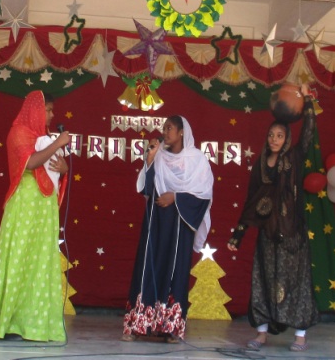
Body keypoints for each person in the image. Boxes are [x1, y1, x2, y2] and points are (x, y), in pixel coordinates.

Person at [227, 102, 319, 353]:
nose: (274, 139)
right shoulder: (261, 164)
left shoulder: (294, 158)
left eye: (279, 135)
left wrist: (308, 104)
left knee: (296, 282)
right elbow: (252, 199)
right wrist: (239, 233)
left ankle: (300, 336)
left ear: (287, 139)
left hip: (292, 235)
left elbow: (308, 133)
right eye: (271, 135)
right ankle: (261, 333)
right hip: (268, 234)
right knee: (264, 282)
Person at [0, 91, 70, 342]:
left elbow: (53, 167)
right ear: (35, 110)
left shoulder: (43, 138)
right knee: (19, 259)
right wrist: (57, 144)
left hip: (44, 207)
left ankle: (33, 324)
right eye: (48, 110)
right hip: (25, 205)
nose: (52, 115)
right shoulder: (18, 133)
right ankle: (9, 323)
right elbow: (29, 163)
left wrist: (64, 169)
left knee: (39, 262)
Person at [123, 115, 213, 343]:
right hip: (156, 222)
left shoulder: (196, 160)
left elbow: (203, 195)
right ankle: (138, 324)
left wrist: (175, 197)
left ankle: (171, 328)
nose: (165, 132)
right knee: (148, 268)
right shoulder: (159, 156)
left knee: (175, 272)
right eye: (164, 128)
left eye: (170, 128)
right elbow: (147, 189)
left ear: (182, 132)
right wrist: (150, 159)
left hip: (180, 226)